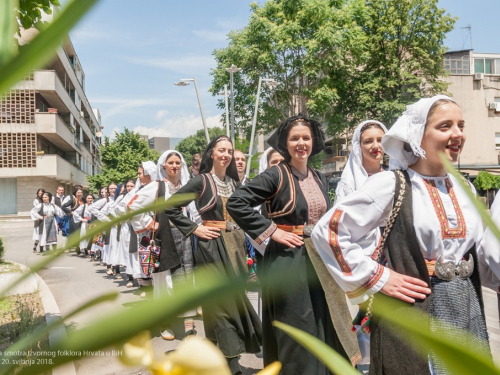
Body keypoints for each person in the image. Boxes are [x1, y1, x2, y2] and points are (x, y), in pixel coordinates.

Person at [311, 96, 492, 374]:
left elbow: (482, 250)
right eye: (445, 126)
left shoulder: (464, 185)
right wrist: (379, 277)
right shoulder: (392, 183)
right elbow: (329, 231)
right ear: (418, 135)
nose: (457, 134)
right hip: (417, 307)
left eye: (461, 125)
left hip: (467, 303)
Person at [227, 116, 359, 375]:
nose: (301, 143)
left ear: (313, 141)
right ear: (285, 144)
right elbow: (236, 202)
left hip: (318, 261)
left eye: (306, 138)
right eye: (295, 138)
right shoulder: (275, 174)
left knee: (324, 322)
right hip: (288, 262)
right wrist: (272, 231)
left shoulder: (319, 176)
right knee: (297, 328)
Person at [165, 136, 262, 375]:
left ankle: (215, 354)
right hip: (213, 247)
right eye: (222, 150)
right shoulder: (201, 181)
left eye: (229, 151)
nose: (226, 155)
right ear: (212, 153)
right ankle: (232, 364)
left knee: (226, 302)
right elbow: (169, 206)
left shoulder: (235, 182)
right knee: (224, 304)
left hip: (236, 248)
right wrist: (195, 228)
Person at [150, 150, 198, 340]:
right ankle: (166, 323)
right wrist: (148, 223)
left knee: (187, 276)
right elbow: (133, 206)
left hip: (185, 235)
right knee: (166, 280)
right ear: (164, 166)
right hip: (165, 236)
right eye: (171, 162)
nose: (175, 166)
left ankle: (188, 324)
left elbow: (194, 212)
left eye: (178, 162)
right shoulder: (157, 187)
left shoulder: (186, 186)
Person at [334, 120, 388, 205]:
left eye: (380, 140)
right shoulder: (349, 182)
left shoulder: (394, 176)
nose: (375, 146)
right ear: (358, 146)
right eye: (368, 141)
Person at [61, 186, 84, 253]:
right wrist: (70, 212)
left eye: (81, 192)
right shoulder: (73, 200)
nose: (80, 194)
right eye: (78, 192)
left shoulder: (83, 200)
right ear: (75, 193)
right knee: (75, 233)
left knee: (81, 232)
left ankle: (79, 247)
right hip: (74, 219)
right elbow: (63, 206)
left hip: (81, 218)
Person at [73, 193, 94, 257]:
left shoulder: (95, 205)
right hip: (85, 223)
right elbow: (75, 213)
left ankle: (91, 250)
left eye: (91, 198)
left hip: (92, 223)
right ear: (86, 199)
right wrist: (81, 219)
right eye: (88, 198)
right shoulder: (83, 206)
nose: (90, 200)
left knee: (91, 236)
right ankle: (85, 250)